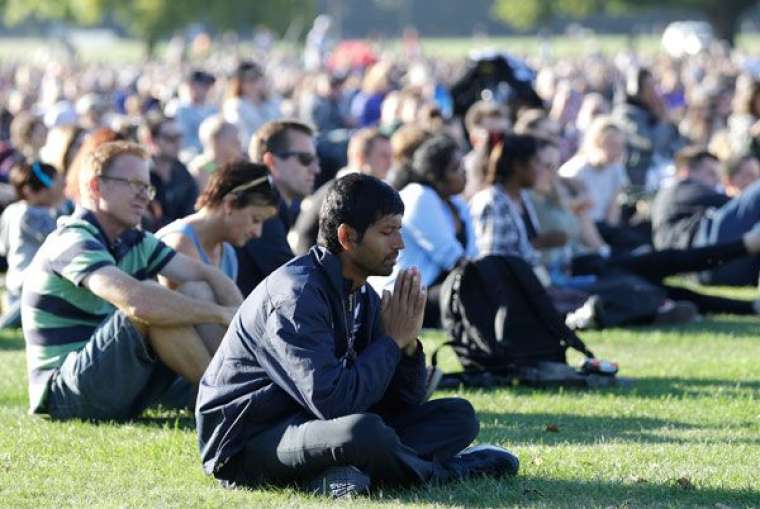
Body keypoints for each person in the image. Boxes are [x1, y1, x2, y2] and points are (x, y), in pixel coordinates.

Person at [196, 173, 519, 497]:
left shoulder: (361, 294)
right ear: (347, 236)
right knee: (362, 432)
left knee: (458, 417)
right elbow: (334, 404)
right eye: (387, 232)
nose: (400, 244)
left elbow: (402, 402)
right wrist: (391, 342)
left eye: (399, 231)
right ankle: (449, 470)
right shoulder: (296, 297)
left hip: (315, 426)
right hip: (248, 441)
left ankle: (339, 474)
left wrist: (405, 348)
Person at [21, 141, 243, 420]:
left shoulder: (134, 241)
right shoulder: (71, 240)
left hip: (111, 381)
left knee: (194, 287)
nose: (144, 197)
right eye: (133, 184)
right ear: (95, 187)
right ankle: (227, 399)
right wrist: (222, 314)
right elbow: (138, 305)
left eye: (146, 187)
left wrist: (239, 317)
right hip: (64, 396)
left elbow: (206, 275)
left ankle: (243, 388)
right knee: (150, 303)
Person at [370, 135, 476, 327]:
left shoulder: (457, 203)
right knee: (475, 289)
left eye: (463, 166)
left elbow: (471, 257)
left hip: (436, 288)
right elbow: (452, 258)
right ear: (436, 176)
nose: (464, 173)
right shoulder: (419, 196)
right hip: (402, 298)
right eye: (455, 169)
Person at [157, 161, 277, 286]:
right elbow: (198, 305)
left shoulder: (228, 253)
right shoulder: (180, 244)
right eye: (255, 220)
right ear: (230, 204)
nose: (257, 233)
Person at [236, 120, 320, 296]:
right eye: (305, 159)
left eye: (315, 159)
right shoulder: (257, 205)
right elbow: (293, 281)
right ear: (271, 161)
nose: (315, 169)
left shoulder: (268, 200)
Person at [290, 128, 392, 255]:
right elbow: (304, 238)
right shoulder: (343, 193)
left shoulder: (364, 190)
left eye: (391, 156)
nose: (390, 162)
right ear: (360, 158)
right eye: (383, 156)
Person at [0, 161, 64, 328]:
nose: (61, 187)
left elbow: (3, 247)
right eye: (56, 182)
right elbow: (58, 241)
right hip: (30, 286)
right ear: (31, 191)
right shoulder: (35, 215)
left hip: (14, 283)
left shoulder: (12, 211)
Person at [141, 115, 198, 230]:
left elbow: (191, 212)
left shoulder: (183, 172)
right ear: (151, 140)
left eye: (179, 137)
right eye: (170, 138)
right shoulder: (140, 175)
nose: (177, 143)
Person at [222, 61, 281, 149]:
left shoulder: (272, 103)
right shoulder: (235, 105)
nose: (254, 83)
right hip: (249, 152)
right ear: (239, 83)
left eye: (257, 78)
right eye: (249, 80)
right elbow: (240, 133)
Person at [188, 116, 242, 193]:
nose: (238, 144)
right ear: (216, 141)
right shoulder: (205, 166)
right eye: (233, 141)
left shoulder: (233, 166)